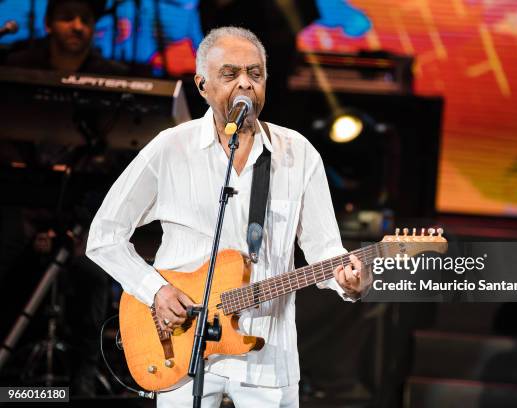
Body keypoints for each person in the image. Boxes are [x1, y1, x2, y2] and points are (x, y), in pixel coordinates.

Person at [86, 26, 364, 407]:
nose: (246, 84)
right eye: (231, 74)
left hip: (268, 357)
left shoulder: (297, 153)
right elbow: (104, 236)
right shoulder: (171, 149)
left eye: (255, 73)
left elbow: (325, 250)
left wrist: (347, 282)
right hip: (183, 346)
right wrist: (155, 291)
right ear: (202, 85)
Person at [2, 0, 127, 396]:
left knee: (96, 268)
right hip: (19, 207)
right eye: (68, 18)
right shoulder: (18, 67)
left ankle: (82, 381)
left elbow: (120, 162)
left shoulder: (111, 77)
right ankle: (12, 380)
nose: (78, 26)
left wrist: (78, 226)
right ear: (48, 24)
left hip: (82, 212)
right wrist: (34, 217)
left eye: (86, 19)